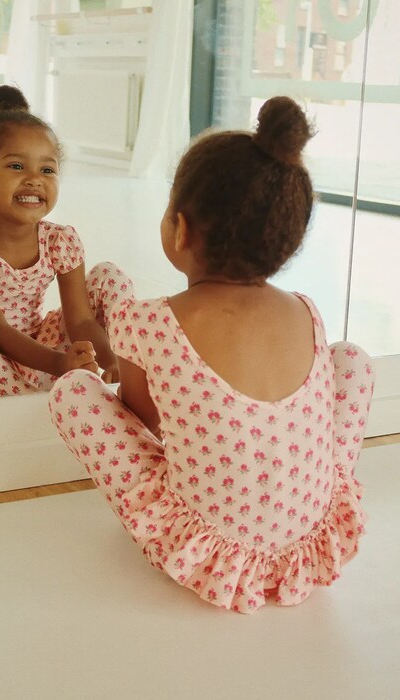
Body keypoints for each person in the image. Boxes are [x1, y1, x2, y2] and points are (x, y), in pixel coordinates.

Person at [49, 96, 375, 614]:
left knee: (73, 395)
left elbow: (143, 422)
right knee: (351, 359)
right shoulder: (306, 310)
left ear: (179, 229)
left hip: (215, 550)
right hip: (309, 537)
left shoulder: (144, 321)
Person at [0, 85, 133, 400]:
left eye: (47, 169)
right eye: (16, 166)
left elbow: (80, 319)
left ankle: (118, 377)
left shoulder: (59, 240)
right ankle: (28, 404)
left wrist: (109, 359)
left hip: (36, 354)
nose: (34, 179)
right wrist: (59, 363)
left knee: (109, 276)